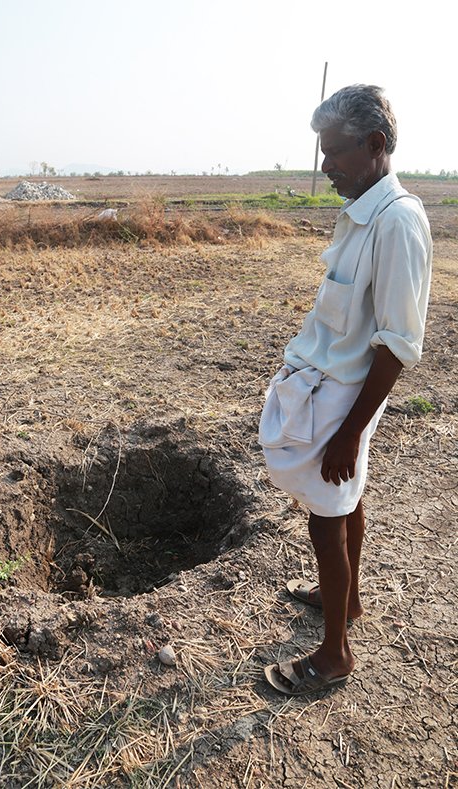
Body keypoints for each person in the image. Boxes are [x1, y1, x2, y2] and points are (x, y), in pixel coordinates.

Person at [259, 84, 433, 696]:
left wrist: (349, 433)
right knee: (345, 500)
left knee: (324, 521)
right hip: (331, 385)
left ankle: (334, 655)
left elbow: (397, 346)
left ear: (374, 145)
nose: (325, 164)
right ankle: (347, 601)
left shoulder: (398, 223)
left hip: (345, 396)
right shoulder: (363, 211)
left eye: (333, 152)